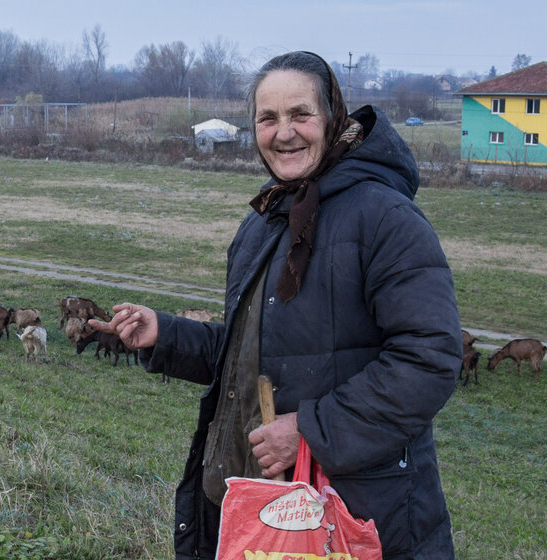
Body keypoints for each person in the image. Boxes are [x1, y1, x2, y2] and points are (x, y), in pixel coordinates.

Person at [90, 51, 461, 560]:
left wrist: (309, 430)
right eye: (268, 118)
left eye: (300, 115)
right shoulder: (267, 218)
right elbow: (256, 354)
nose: (283, 132)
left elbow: (430, 360)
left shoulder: (385, 218)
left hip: (353, 520)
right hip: (259, 512)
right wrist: (166, 333)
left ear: (332, 118)